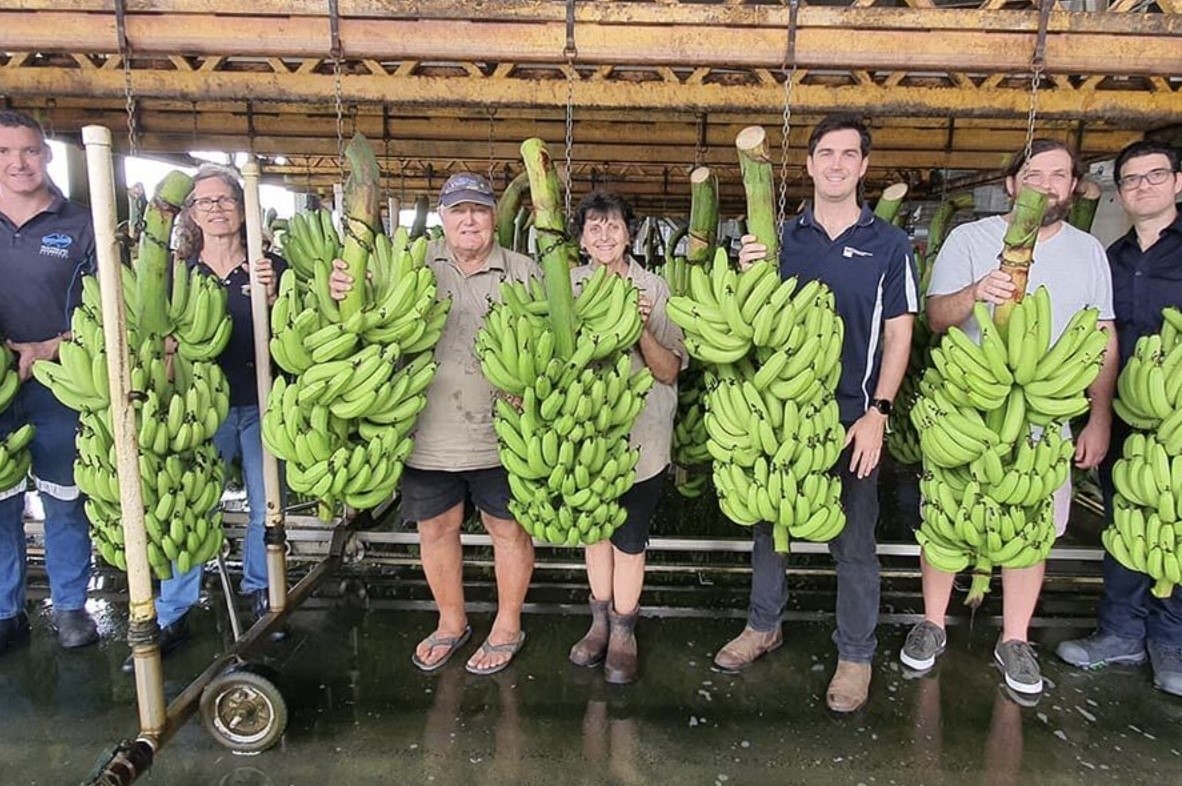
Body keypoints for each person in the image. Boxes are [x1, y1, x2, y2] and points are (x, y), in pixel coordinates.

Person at [716, 114, 919, 713]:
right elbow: (752, 323)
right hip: (780, 411)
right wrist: (745, 268)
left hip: (852, 415)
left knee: (855, 542)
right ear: (807, 165)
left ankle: (855, 655)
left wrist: (879, 410)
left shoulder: (888, 243)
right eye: (824, 153)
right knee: (768, 529)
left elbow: (899, 331)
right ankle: (763, 624)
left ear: (863, 167)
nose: (835, 163)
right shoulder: (778, 238)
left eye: (847, 154)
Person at [903, 139, 1117, 697]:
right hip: (969, 404)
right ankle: (931, 623)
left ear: (1072, 187)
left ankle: (1015, 639)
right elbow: (936, 318)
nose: (1046, 183)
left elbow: (1102, 336)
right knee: (947, 516)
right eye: (1035, 173)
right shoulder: (969, 238)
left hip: (1048, 405)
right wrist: (976, 292)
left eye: (1059, 175)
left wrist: (1098, 417)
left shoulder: (1088, 250)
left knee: (1032, 524)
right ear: (1012, 184)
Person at [330, 172, 537, 675]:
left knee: (507, 529)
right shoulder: (410, 266)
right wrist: (343, 287)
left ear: (494, 218)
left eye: (480, 210)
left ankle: (508, 624)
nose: (470, 220)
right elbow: (364, 316)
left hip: (502, 431)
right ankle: (451, 622)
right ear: (443, 218)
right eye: (459, 210)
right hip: (426, 429)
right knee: (436, 528)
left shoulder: (523, 271)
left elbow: (550, 343)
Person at [122, 164, 281, 671]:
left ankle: (262, 592)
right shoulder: (175, 273)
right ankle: (173, 610)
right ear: (190, 213)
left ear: (242, 205)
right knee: (188, 508)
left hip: (260, 400)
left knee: (265, 506)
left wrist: (276, 295)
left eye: (224, 200)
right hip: (196, 409)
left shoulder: (268, 265)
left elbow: (302, 326)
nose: (215, 209)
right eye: (204, 202)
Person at [1056, 140, 1182, 696]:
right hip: (1125, 407)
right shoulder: (1110, 256)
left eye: (1154, 176)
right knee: (1125, 521)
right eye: (1130, 180)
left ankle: (1172, 641)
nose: (1142, 187)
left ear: (1177, 182)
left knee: (1175, 523)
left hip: (1176, 413)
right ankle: (1121, 632)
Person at [566, 191, 685, 684]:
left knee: (630, 537)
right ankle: (598, 623)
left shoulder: (653, 289)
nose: (604, 235)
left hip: (643, 434)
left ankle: (623, 630)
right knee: (594, 531)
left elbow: (670, 369)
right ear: (581, 239)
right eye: (594, 227)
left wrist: (637, 328)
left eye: (613, 226)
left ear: (629, 234)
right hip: (584, 429)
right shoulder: (568, 287)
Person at [0, 110, 99, 653]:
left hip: (61, 378)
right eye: (5, 152)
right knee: (0, 497)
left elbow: (104, 311)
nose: (18, 162)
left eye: (29, 151)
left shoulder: (79, 224)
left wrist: (46, 349)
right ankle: (4, 609)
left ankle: (69, 605)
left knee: (65, 494)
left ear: (46, 156)